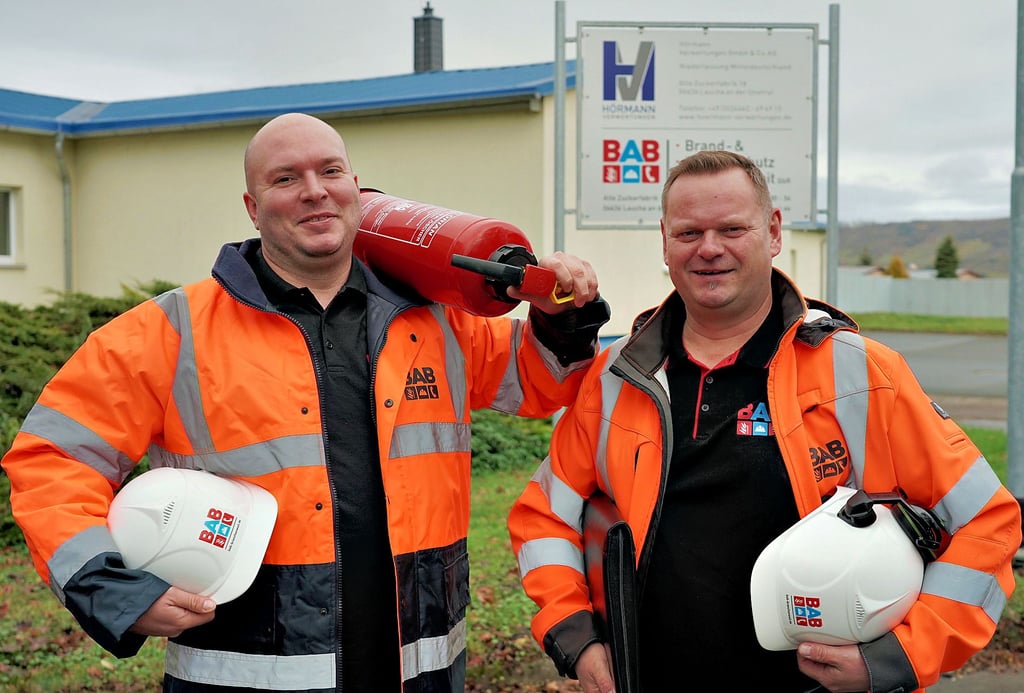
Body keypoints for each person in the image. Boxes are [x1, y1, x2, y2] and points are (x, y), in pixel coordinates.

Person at [1, 112, 610, 692]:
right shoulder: (169, 332)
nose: (314, 191)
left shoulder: (436, 319)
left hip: (419, 668)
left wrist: (561, 321)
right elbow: (54, 460)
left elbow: (537, 381)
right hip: (246, 677)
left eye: (330, 171)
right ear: (252, 207)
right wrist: (114, 592)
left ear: (356, 188)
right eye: (285, 179)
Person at [507, 150, 1022, 693]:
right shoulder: (617, 376)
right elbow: (545, 519)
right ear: (664, 240)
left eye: (732, 228)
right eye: (689, 233)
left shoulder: (861, 374)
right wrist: (577, 637)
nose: (710, 249)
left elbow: (988, 524)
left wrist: (897, 657)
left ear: (773, 232)